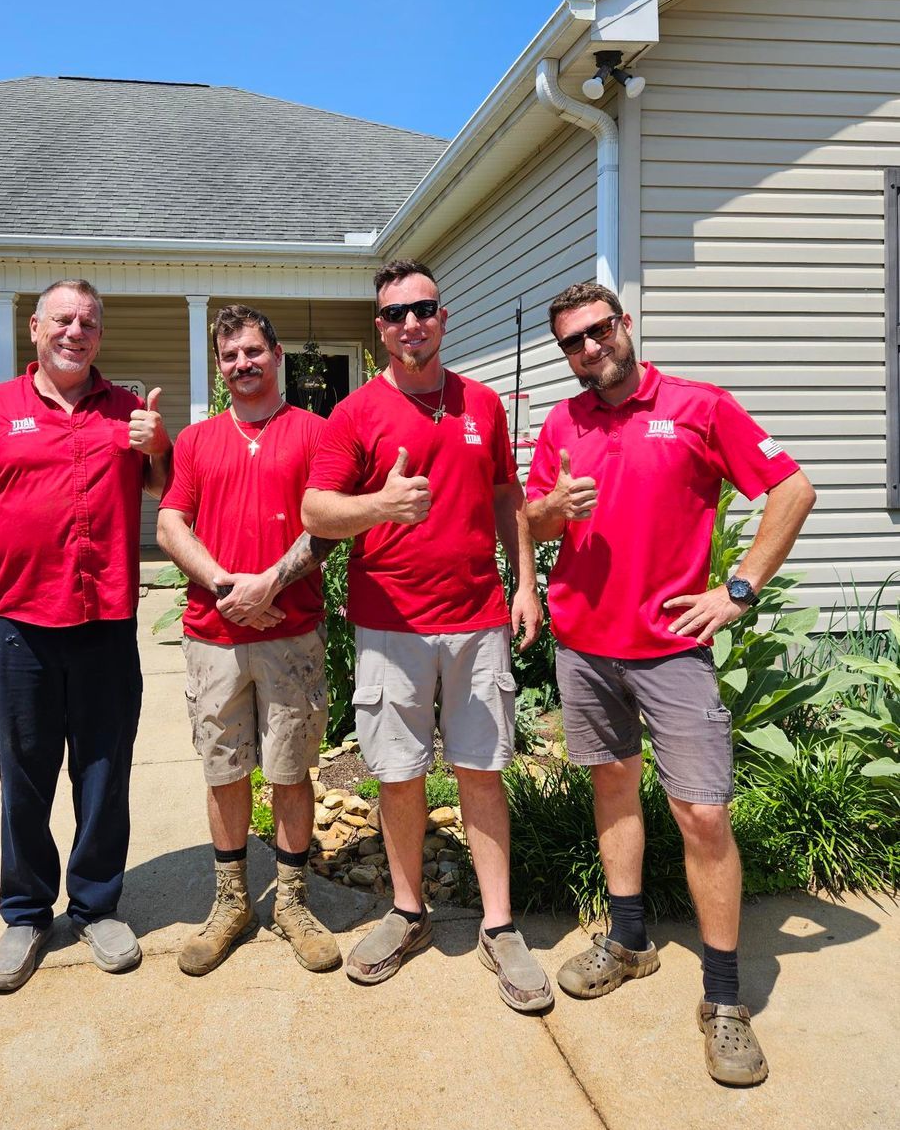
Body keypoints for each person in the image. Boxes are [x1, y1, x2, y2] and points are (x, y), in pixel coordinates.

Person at [526, 280, 815, 1086]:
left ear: (623, 326)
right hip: (583, 646)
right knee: (612, 788)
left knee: (702, 813)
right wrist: (549, 505)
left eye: (596, 332)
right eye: (571, 343)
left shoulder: (697, 406)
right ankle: (627, 942)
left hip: (670, 649)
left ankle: (723, 1001)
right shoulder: (561, 421)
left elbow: (791, 490)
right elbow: (535, 523)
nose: (587, 350)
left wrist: (738, 589)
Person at [301, 260, 550, 1013]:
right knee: (398, 774)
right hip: (390, 626)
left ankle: (499, 927)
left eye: (424, 308)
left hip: (476, 621)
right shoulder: (354, 416)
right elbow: (316, 511)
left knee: (481, 770)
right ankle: (407, 913)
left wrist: (526, 580)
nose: (411, 322)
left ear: (442, 317)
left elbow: (508, 494)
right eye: (395, 313)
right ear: (377, 329)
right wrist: (380, 505)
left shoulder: (481, 403)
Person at [0, 278, 172, 993]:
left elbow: (170, 493)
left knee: (104, 771)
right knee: (24, 773)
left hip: (104, 624)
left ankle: (96, 905)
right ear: (35, 328)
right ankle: (27, 913)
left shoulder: (128, 413)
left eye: (89, 322)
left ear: (101, 334)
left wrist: (158, 448)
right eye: (63, 320)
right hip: (18, 626)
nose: (76, 332)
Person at [157, 305, 341, 976]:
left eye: (252, 352)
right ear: (219, 364)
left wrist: (269, 584)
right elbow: (172, 524)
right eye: (230, 355)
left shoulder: (317, 434)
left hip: (291, 635)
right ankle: (231, 901)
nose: (242, 364)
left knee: (291, 770)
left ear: (276, 353)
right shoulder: (197, 441)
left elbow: (327, 527)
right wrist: (226, 589)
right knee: (224, 769)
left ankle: (292, 901)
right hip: (213, 638)